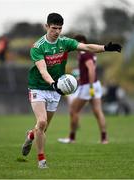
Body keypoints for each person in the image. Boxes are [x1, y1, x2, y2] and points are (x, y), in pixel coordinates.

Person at [21, 13, 122, 169]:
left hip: (55, 90)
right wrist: (53, 83)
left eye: (60, 28)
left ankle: (31, 135)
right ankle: (41, 160)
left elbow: (86, 47)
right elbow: (43, 70)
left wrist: (105, 48)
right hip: (38, 87)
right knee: (41, 122)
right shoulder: (38, 46)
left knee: (43, 128)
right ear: (47, 26)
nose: (57, 32)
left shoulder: (64, 42)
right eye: (54, 28)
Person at [58, 34, 108, 144]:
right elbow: (88, 71)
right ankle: (104, 138)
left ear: (81, 42)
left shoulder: (84, 53)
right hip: (95, 84)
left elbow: (91, 69)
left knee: (73, 110)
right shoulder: (91, 53)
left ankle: (72, 138)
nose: (75, 46)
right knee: (98, 111)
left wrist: (90, 87)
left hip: (88, 86)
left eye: (76, 43)